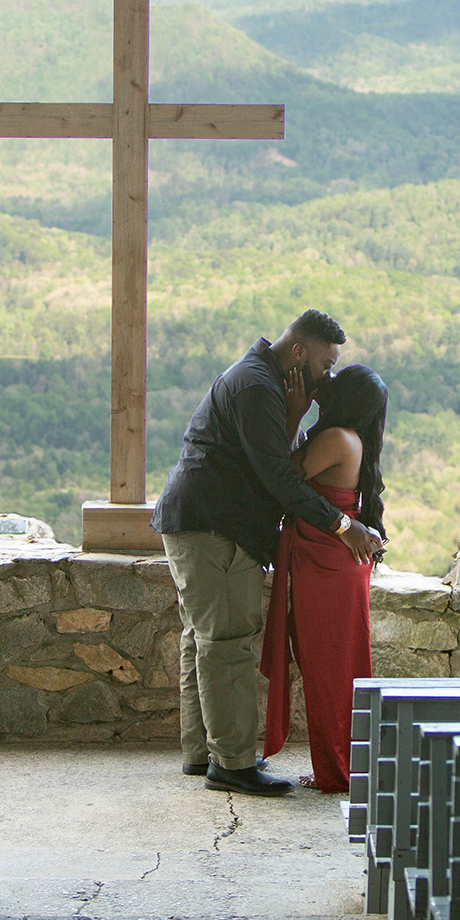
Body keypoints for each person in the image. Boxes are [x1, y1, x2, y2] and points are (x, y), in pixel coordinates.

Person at [151, 310, 385, 797]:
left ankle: (204, 753)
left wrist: (296, 414)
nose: (327, 376)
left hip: (202, 522)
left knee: (204, 640)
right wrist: (342, 524)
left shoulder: (261, 381)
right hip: (214, 527)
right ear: (299, 351)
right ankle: (232, 763)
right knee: (227, 642)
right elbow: (278, 477)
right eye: (326, 362)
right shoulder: (257, 387)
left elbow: (278, 465)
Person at [260, 364, 387, 793]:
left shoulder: (335, 439)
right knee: (338, 667)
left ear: (347, 398)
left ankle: (336, 771)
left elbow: (282, 473)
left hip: (326, 565)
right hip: (333, 563)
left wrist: (294, 413)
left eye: (337, 380)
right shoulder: (351, 440)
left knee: (327, 668)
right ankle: (341, 766)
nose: (326, 383)